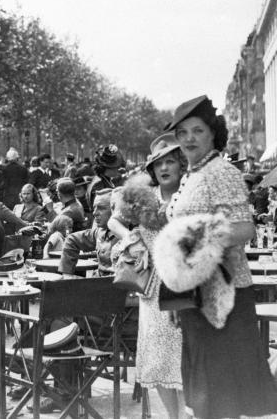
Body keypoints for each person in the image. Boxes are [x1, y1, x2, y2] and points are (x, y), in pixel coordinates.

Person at [158, 95, 277, 418]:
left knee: (220, 393)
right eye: (182, 133)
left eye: (196, 131)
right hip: (195, 293)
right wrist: (177, 291)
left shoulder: (221, 171)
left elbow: (243, 229)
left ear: (212, 133)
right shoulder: (193, 174)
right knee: (204, 392)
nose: (188, 139)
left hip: (225, 292)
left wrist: (195, 240)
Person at [108, 134, 186, 418]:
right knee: (158, 361)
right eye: (158, 164)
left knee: (183, 362)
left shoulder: (190, 196)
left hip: (185, 286)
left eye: (170, 162)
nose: (164, 168)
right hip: (152, 291)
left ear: (181, 165)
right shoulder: (143, 198)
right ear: (152, 170)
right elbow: (113, 219)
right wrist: (133, 238)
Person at [58, 189, 117, 275]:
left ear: (116, 210)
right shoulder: (99, 232)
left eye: (101, 208)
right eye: (94, 208)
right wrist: (67, 274)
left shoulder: (130, 234)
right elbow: (72, 239)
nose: (94, 213)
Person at [86, 144, 125, 211]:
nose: (117, 170)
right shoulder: (98, 184)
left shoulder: (104, 179)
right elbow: (100, 208)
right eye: (116, 168)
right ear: (107, 168)